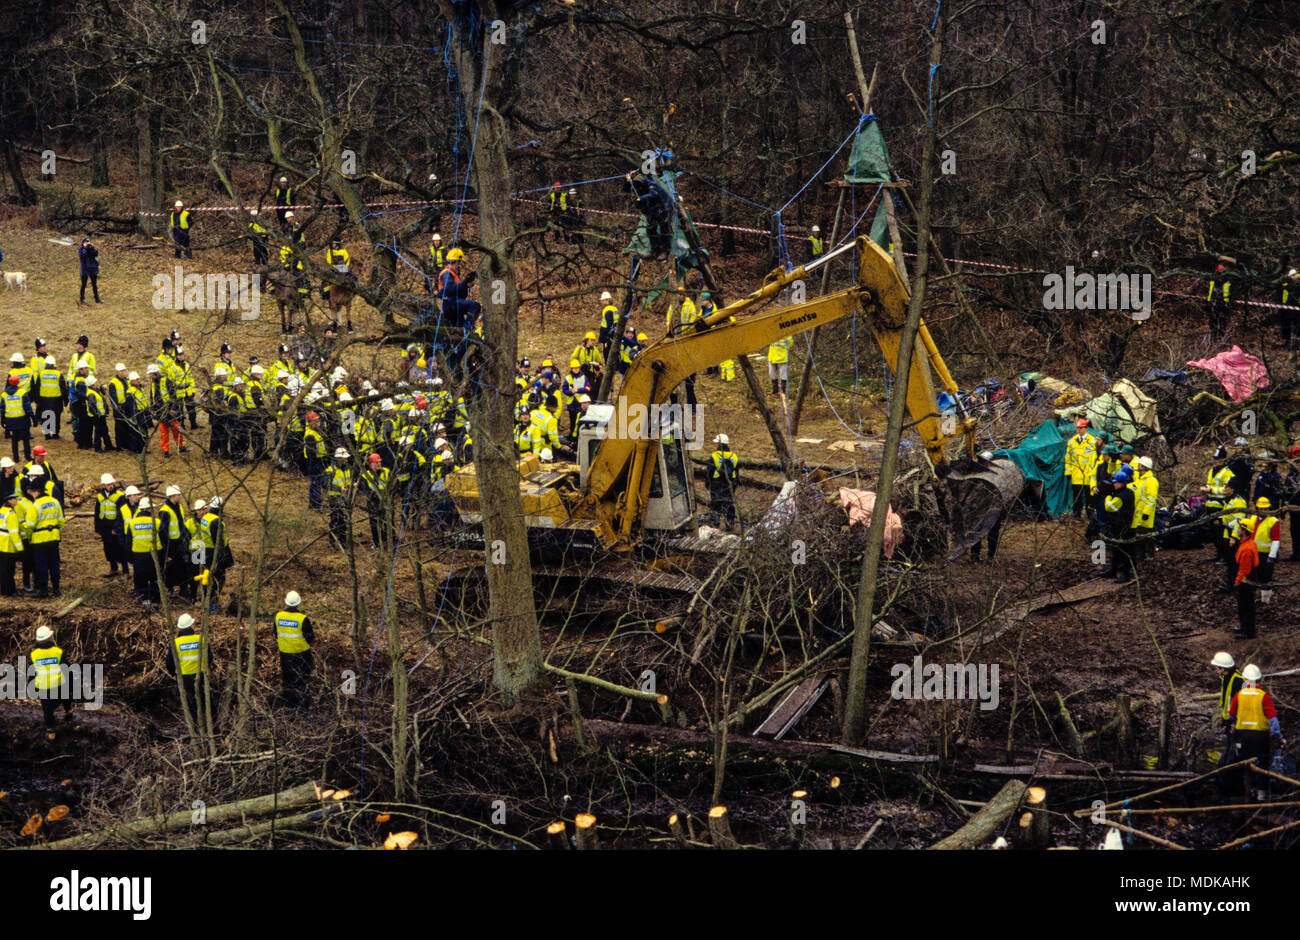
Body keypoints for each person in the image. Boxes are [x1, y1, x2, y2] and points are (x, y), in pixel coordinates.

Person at [1226, 664, 1283, 801]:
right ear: (1259, 680)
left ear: (1245, 679)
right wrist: (1278, 736)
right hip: (1260, 735)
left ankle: (1248, 790)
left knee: (1246, 762)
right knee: (1263, 763)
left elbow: (1231, 715)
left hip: (1242, 735)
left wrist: (1234, 724)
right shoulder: (1263, 696)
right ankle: (1261, 793)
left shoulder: (1239, 695)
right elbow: (1272, 719)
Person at [164, 613, 213, 728]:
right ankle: (213, 720)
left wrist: (174, 674)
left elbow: (169, 662)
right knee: (204, 697)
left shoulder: (176, 642)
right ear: (192, 625)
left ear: (179, 627)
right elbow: (209, 657)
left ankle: (194, 724)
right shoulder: (201, 639)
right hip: (200, 674)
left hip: (184, 676)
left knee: (189, 700)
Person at [274, 590, 315, 709]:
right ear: (298, 603)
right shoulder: (302, 619)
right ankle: (302, 706)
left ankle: (288, 704)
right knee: (302, 679)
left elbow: (275, 634)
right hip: (301, 654)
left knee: (287, 679)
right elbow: (310, 637)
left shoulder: (278, 616)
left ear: (286, 602)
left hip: (285, 654)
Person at [32, 625, 72, 740]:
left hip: (44, 688)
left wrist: (32, 686)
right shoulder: (58, 652)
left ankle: (51, 733)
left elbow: (32, 673)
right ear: (50, 637)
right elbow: (67, 669)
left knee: (47, 710)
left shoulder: (34, 655)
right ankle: (68, 711)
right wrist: (70, 684)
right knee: (65, 695)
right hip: (59, 684)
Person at [624, 169, 673, 258]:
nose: (638, 189)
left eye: (639, 187)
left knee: (664, 228)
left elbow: (653, 194)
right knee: (650, 229)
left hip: (664, 206)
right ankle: (654, 250)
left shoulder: (651, 184)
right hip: (651, 208)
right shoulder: (637, 186)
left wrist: (641, 198)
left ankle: (665, 251)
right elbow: (626, 189)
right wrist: (627, 180)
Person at [1099, 465, 1136, 583]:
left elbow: (1109, 507)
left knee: (1125, 550)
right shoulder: (1125, 492)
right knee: (1116, 549)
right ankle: (1113, 570)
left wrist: (1108, 496)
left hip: (1124, 527)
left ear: (1121, 483)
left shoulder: (1123, 495)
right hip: (1119, 525)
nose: (1113, 484)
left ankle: (1126, 573)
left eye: (1115, 483)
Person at [27, 478, 62, 597]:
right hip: (54, 538)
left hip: (39, 540)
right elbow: (61, 521)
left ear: (37, 492)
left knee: (41, 565)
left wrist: (22, 529)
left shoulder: (35, 505)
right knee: (54, 564)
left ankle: (43, 590)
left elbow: (29, 525)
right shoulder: (55, 502)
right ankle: (56, 588)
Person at [1201, 444, 1234, 562]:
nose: (1216, 462)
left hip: (1220, 506)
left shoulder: (1228, 473)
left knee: (1221, 532)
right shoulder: (1211, 471)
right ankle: (1218, 554)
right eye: (1215, 459)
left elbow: (1227, 490)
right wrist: (1206, 488)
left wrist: (1211, 490)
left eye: (1218, 459)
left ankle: (1224, 555)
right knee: (1214, 533)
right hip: (1210, 505)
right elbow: (1210, 484)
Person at [438, 248, 480, 332]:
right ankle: (467, 330)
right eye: (459, 262)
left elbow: (460, 294)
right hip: (451, 304)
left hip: (452, 304)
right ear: (456, 261)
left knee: (457, 330)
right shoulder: (447, 273)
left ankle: (463, 334)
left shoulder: (453, 274)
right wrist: (464, 282)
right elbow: (449, 289)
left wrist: (467, 285)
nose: (460, 265)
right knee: (475, 306)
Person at [129, 495, 161, 608]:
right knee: (155, 578)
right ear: (148, 509)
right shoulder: (157, 522)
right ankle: (156, 600)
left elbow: (128, 541)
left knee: (140, 578)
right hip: (154, 554)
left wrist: (129, 557)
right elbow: (163, 538)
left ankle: (144, 600)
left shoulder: (132, 523)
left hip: (138, 555)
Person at [1212, 651, 1244, 763]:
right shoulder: (1225, 678)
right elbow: (1227, 700)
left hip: (1236, 720)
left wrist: (1235, 723)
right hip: (1230, 717)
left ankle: (1228, 770)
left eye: (1217, 667)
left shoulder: (1238, 681)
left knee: (1233, 748)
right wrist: (1223, 715)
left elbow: (1241, 704)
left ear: (1223, 668)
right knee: (1229, 745)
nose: (1215, 669)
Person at [1231, 517, 1259, 639]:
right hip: (1248, 580)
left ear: (1244, 531)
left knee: (1246, 606)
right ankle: (1245, 627)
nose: (1237, 529)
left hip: (1246, 581)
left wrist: (1237, 582)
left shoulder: (1247, 549)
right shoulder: (1246, 544)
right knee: (1245, 606)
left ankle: (1248, 632)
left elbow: (1244, 570)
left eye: (1240, 528)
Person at [94, 473, 127, 578]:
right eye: (108, 484)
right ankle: (113, 569)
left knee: (120, 548)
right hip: (105, 528)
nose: (110, 486)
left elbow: (121, 514)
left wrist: (116, 528)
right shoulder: (99, 497)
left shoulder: (120, 496)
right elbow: (97, 513)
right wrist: (97, 528)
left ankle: (125, 570)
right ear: (103, 485)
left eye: (112, 484)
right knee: (108, 548)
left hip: (115, 527)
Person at [1064, 419, 1098, 519]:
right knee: (1077, 496)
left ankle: (1089, 513)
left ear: (1086, 428)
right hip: (1076, 474)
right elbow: (1068, 457)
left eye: (1081, 428)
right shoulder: (1071, 441)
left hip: (1087, 474)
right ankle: (1076, 513)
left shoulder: (1092, 441)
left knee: (1089, 496)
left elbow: (1094, 458)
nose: (1079, 430)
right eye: (1078, 428)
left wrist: (1092, 473)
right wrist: (1068, 471)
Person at [707, 433, 740, 531]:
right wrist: (735, 485)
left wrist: (708, 484)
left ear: (720, 444)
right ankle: (730, 524)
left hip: (717, 484)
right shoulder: (734, 456)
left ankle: (714, 526)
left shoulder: (714, 456)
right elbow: (737, 473)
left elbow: (709, 472)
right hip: (730, 484)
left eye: (716, 443)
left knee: (715, 505)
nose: (715, 444)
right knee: (728, 504)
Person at [1132, 455, 1159, 559]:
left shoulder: (1151, 481)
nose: (1138, 466)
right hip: (1138, 512)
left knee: (1147, 535)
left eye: (1139, 465)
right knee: (1140, 534)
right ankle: (1141, 553)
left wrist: (1146, 513)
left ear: (1143, 466)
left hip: (1145, 513)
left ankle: (1150, 554)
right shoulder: (1141, 479)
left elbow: (1151, 499)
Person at [3, 375, 34, 462]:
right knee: (26, 439)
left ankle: (16, 458)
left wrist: (3, 420)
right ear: (18, 382)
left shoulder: (4, 394)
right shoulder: (22, 393)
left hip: (11, 421)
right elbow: (27, 407)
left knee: (14, 440)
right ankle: (27, 456)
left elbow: (2, 409)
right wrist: (33, 417)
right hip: (22, 420)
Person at [328, 447, 353, 548]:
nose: (346, 460)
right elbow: (326, 483)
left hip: (344, 496)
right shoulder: (331, 469)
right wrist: (339, 488)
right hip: (334, 497)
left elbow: (348, 481)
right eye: (344, 458)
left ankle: (343, 540)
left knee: (343, 519)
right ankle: (333, 541)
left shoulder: (347, 468)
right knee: (335, 519)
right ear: (339, 458)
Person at [35, 354, 64, 440]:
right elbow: (63, 388)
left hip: (44, 399)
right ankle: (55, 434)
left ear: (46, 364)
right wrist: (65, 400)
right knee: (56, 416)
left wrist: (37, 400)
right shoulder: (58, 374)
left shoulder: (41, 374)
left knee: (45, 416)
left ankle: (47, 435)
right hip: (56, 399)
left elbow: (37, 388)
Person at [303, 411, 328, 510]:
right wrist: (316, 465)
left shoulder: (317, 431)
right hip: (314, 462)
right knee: (315, 483)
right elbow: (311, 453)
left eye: (318, 421)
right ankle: (316, 504)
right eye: (315, 421)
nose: (318, 423)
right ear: (310, 423)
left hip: (319, 460)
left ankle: (314, 503)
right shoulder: (310, 435)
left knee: (316, 483)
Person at [0, 489, 23, 596]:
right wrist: (20, 549)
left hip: (1, 544)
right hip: (8, 545)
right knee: (9, 569)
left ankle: (4, 589)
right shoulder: (11, 514)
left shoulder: (2, 511)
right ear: (9, 501)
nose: (16, 500)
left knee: (3, 569)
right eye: (14, 499)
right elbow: (14, 533)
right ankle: (11, 590)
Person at [1207, 263, 1231, 342]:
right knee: (1213, 321)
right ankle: (1213, 338)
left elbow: (1227, 293)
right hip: (1215, 303)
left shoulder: (1226, 281)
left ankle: (1222, 338)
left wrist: (1227, 302)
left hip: (1222, 304)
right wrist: (1209, 301)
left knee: (1222, 322)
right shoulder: (1214, 280)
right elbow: (1211, 291)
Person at [767, 337, 790, 403]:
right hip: (772, 356)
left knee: (783, 375)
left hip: (782, 356)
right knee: (772, 374)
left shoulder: (785, 329)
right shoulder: (771, 330)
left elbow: (790, 342)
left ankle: (783, 391)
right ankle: (775, 390)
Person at [78, 237, 101, 304]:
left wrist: (92, 247)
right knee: (83, 285)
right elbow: (82, 256)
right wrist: (85, 248)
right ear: (83, 243)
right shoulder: (81, 249)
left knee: (94, 285)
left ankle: (97, 299)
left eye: (88, 242)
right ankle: (82, 299)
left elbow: (96, 254)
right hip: (84, 269)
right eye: (86, 242)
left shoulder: (91, 249)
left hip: (92, 269)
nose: (87, 243)